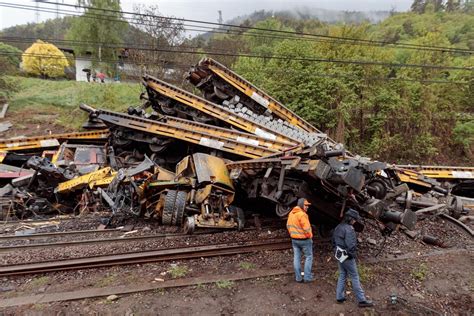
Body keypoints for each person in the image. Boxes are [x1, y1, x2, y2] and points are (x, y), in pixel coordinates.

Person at [332, 208, 374, 308]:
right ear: (351, 219)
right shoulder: (349, 229)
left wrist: (337, 252)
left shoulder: (338, 226)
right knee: (354, 276)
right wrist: (351, 256)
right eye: (354, 219)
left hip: (339, 255)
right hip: (347, 257)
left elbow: (333, 241)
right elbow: (351, 246)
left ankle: (339, 297)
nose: (355, 221)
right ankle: (362, 300)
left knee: (342, 275)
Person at [286, 198, 313, 283]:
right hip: (305, 240)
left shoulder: (291, 213)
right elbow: (307, 229)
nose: (307, 207)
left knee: (296, 258)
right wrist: (310, 237)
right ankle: (307, 277)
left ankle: (298, 278)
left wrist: (292, 235)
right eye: (306, 205)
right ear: (301, 205)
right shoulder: (302, 215)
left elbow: (288, 225)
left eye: (308, 206)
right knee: (309, 257)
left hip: (294, 240)